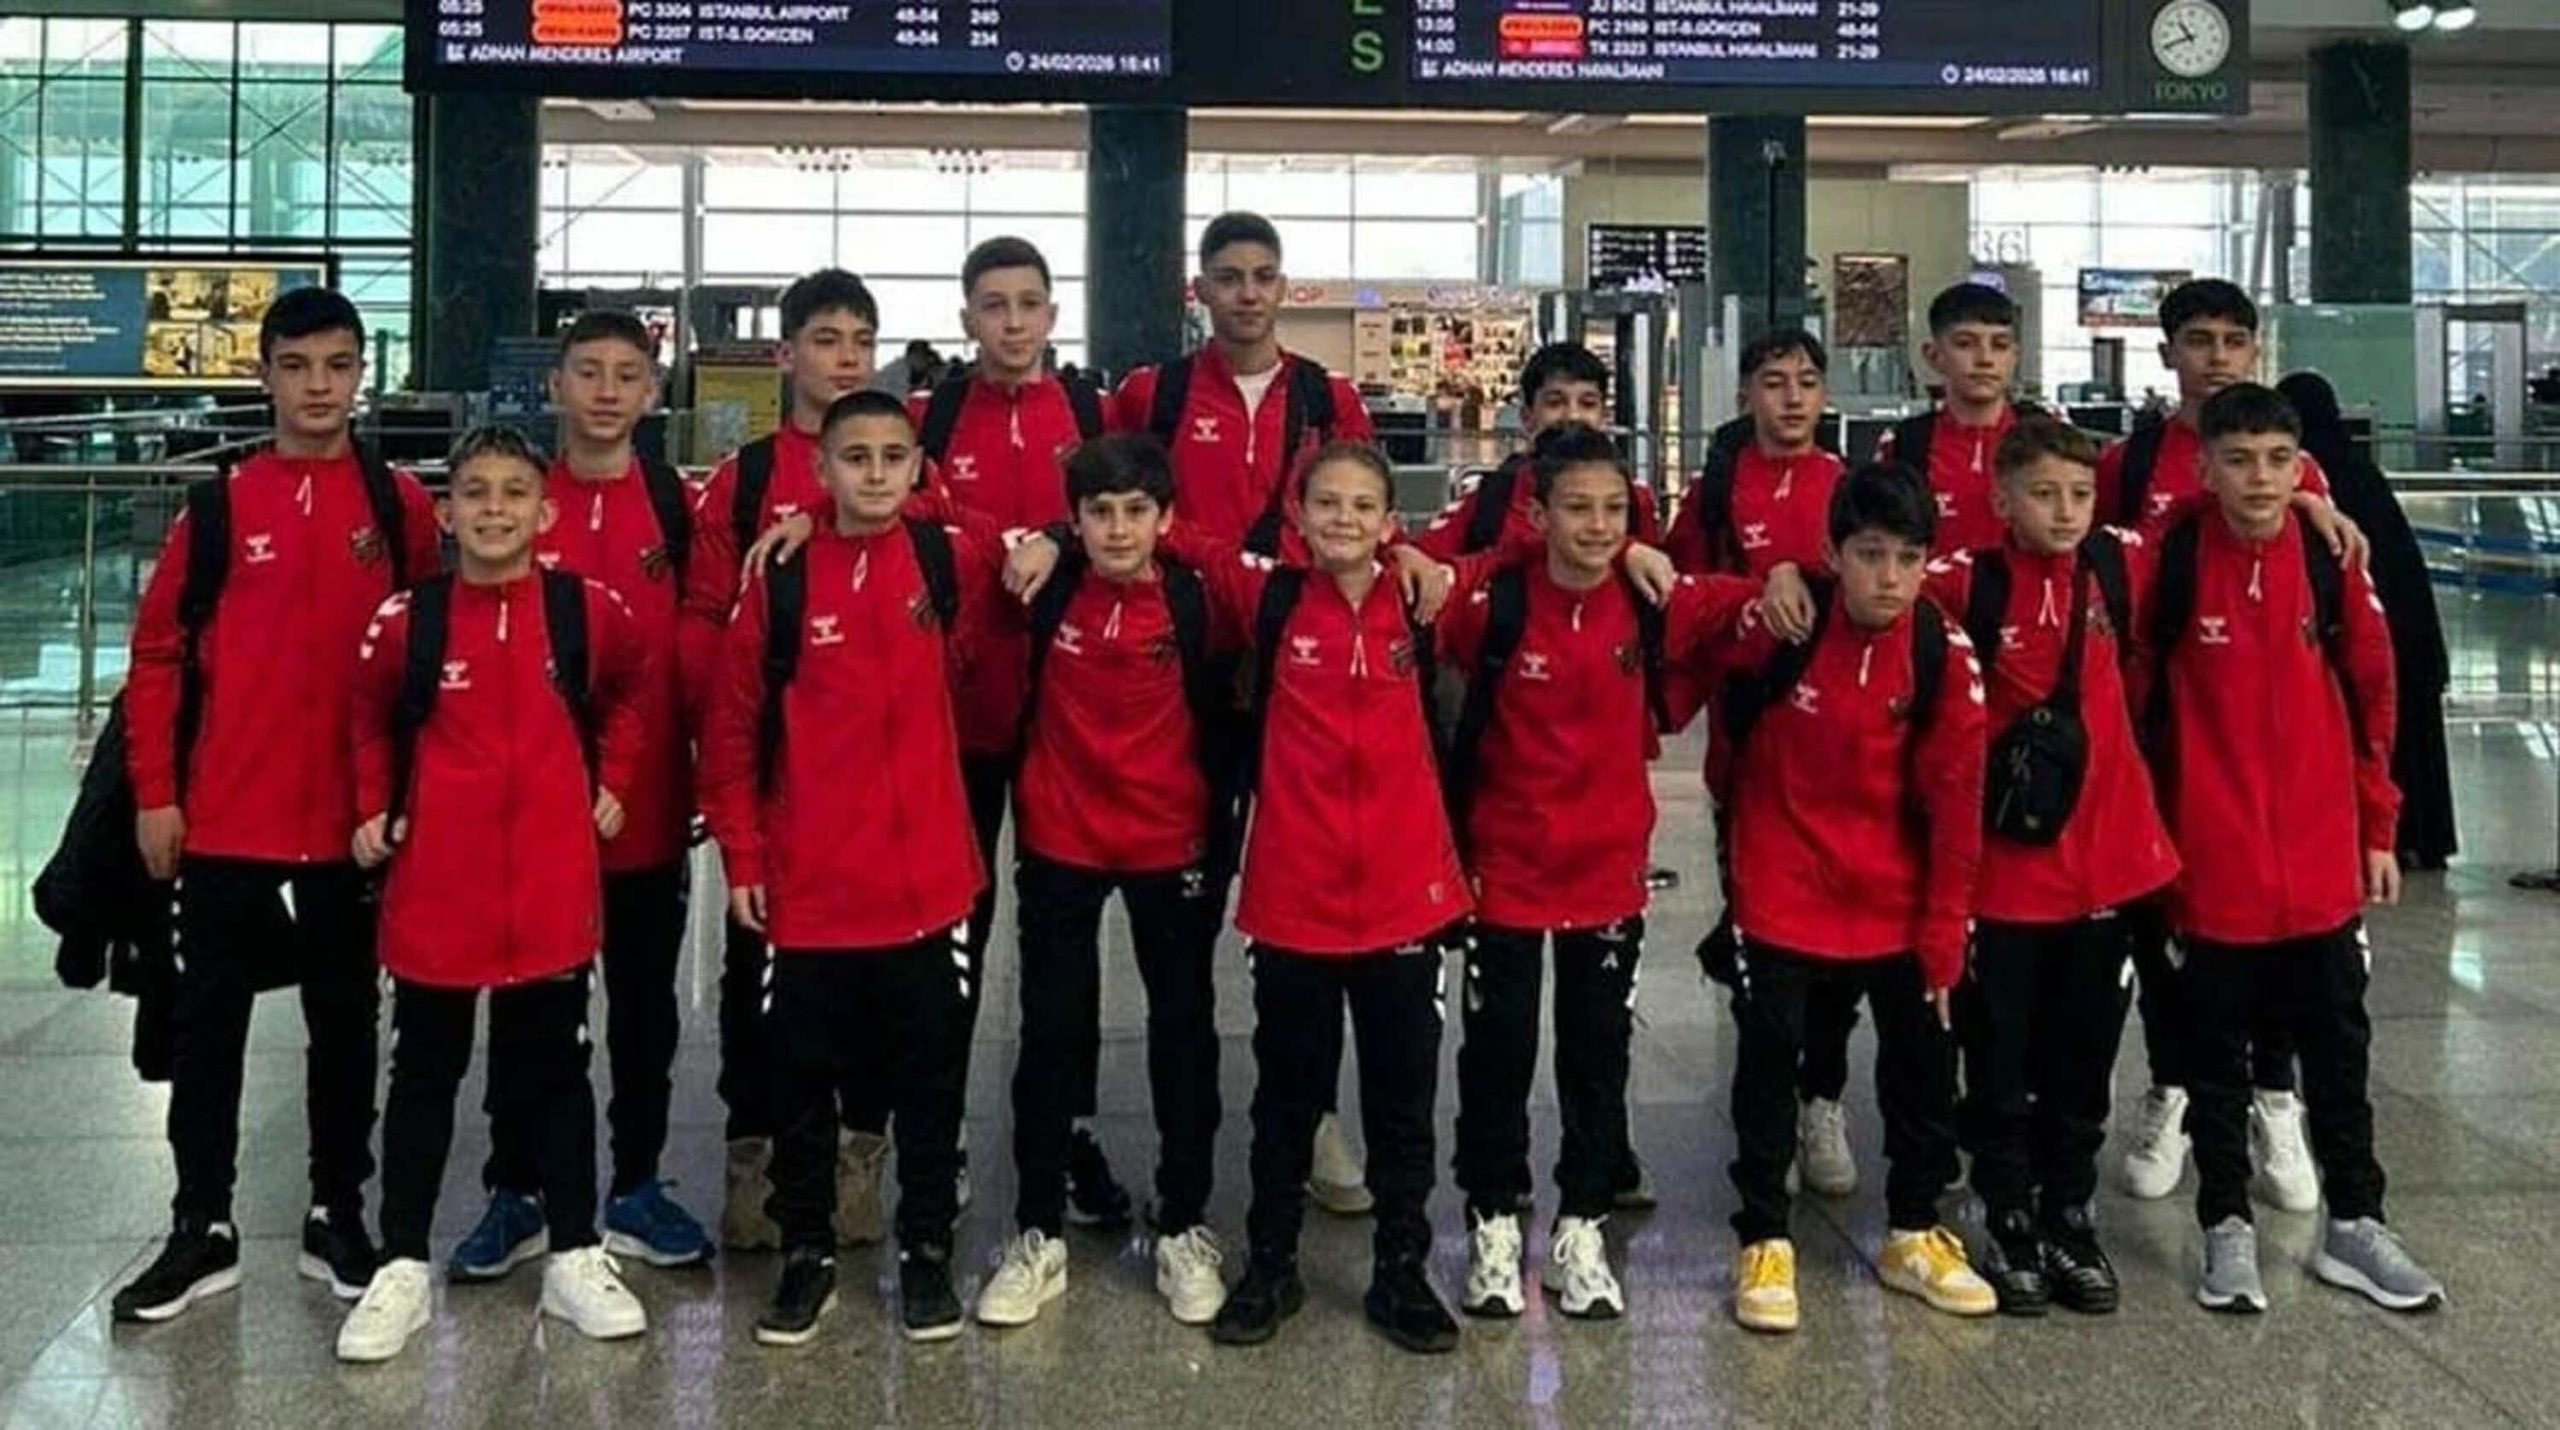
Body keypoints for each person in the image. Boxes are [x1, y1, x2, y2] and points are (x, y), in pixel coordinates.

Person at [1009, 442, 1479, 1352]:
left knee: (1403, 1099)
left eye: (1364, 507)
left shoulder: (1421, 601)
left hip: (1405, 893)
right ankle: (1271, 1265)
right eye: (1325, 504)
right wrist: (1054, 537)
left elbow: (1528, 560)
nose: (1343, 520)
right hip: (1294, 889)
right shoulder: (1267, 595)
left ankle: (1401, 1271)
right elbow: (1168, 535)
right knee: (1285, 1096)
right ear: (1295, 517)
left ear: (1391, 521)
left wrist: (1431, 557)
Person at [113, 286, 441, 1325]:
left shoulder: (397, 507)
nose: (317, 387)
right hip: (226, 817)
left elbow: (431, 651)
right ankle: (200, 1220)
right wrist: (156, 795)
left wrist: (412, 802)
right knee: (207, 1025)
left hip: (352, 822)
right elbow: (157, 656)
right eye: (296, 366)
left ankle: (337, 1207)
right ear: (264, 376)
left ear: (361, 376)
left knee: (345, 1021)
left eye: (337, 365)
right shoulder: (217, 510)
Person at [698, 390, 1011, 1348]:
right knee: (799, 1082)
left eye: (892, 457)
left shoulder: (946, 557)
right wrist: (742, 854)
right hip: (809, 885)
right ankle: (807, 1252)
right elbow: (731, 729)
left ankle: (926, 1249)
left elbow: (1030, 541)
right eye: (854, 457)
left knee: (930, 1080)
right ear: (820, 469)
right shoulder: (781, 578)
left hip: (928, 883)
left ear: (919, 468)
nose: (875, 473)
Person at [334, 427, 653, 1362]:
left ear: (545, 512)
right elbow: (366, 716)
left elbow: (633, 692)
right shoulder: (409, 621)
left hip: (551, 884)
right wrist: (372, 807)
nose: (495, 510)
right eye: (475, 493)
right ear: (446, 512)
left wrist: (616, 781)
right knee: (424, 1072)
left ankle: (575, 1252)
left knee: (558, 1070)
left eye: (515, 492)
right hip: (439, 885)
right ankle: (401, 1263)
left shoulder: (585, 611)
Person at [2138, 383, 2443, 1316]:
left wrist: (2379, 827)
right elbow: (2136, 692)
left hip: (2319, 861)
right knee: (2214, 1060)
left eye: (2278, 461)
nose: (2260, 479)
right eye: (2237, 460)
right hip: (2213, 860)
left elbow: (2376, 695)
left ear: (2301, 466)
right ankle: (2225, 1225)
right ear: (2204, 468)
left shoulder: (2328, 558)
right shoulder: (2173, 557)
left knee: (2338, 1055)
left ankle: (2357, 1222)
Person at [1443, 424, 1758, 1323]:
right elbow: (1414, 585)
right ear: (1537, 515)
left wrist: (1750, 577)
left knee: (1598, 1051)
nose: (1597, 525)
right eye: (1576, 508)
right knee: (1498, 1050)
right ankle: (1493, 1217)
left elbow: (1753, 602)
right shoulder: (1495, 603)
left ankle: (1582, 1221)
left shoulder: (1648, 598)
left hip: (1609, 868)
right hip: (1503, 866)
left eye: (1615, 509)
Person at [1111, 212, 1377, 1212]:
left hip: (1300, 677)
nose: (1248, 293)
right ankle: (1183, 1130)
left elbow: (1355, 520)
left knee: (1307, 901)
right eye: (1229, 277)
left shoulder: (1327, 397)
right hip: (1177, 678)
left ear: (1283, 286)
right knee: (1186, 909)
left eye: (1264, 275)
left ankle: (1309, 1111)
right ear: (1201, 290)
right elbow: (1116, 510)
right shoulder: (1156, 395)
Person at [446, 311, 711, 1281]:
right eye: (588, 372)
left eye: (626, 374)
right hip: (524, 815)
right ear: (554, 386)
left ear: (652, 392)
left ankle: (635, 1180)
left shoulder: (676, 507)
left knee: (643, 1005)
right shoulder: (514, 498)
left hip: (646, 809)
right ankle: (514, 1186)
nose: (606, 391)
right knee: (527, 1005)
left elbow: (699, 650)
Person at [1707, 463, 1995, 1335]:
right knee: (1771, 1054)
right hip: (1783, 880)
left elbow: (1957, 803)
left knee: (1922, 1057)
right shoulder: (1784, 624)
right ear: (1833, 555)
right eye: (1871, 555)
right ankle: (1764, 1235)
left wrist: (1945, 931)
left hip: (1894, 890)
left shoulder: (1943, 651)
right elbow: (1709, 675)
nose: (1891, 579)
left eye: (1909, 558)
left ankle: (1914, 1227)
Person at [970, 434, 1232, 1331]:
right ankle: (1037, 1229)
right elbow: (940, 518)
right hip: (1061, 840)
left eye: (1136, 512)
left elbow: (1303, 567)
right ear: (1074, 520)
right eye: (1098, 513)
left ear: (1166, 519)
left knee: (1184, 1032)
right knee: (1051, 1033)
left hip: (1173, 842)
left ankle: (1184, 1222)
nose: (1118, 530)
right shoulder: (1044, 593)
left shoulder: (1196, 598)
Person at [1924, 416, 2181, 1316]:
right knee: (1999, 1056)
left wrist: (2310, 505)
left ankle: (2070, 1208)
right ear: (2001, 500)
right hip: (2006, 875)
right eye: (2043, 494)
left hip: (2108, 866)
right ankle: (2008, 1207)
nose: (2066, 511)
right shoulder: (1968, 581)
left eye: (2080, 494)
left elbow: (2222, 515)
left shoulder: (2118, 565)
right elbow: (1866, 584)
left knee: (2085, 1057)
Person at [2103, 279, 2340, 1212]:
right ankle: (2174, 1090)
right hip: (2175, 742)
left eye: (2234, 340)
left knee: (2278, 939)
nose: (2217, 357)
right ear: (2169, 354)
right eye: (2198, 340)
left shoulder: (2296, 474)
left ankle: (2274, 1097)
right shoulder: (2128, 465)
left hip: (2279, 758)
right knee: (2175, 937)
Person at [677, 268, 898, 1252]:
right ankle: (755, 1151)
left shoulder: (900, 463)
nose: (844, 357)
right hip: (777, 767)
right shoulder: (745, 478)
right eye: (825, 339)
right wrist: (719, 753)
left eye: (860, 340)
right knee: (758, 963)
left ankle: (859, 1151)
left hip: (880, 771)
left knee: (877, 972)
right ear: (785, 353)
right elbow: (703, 617)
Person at [914, 237, 1132, 1230]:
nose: (1012, 321)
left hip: (1066, 720)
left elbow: (1136, 527)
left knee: (1062, 950)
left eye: (1029, 303)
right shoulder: (929, 421)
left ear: (1052, 314)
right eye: (994, 304)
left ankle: (1066, 1127)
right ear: (967, 317)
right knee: (953, 934)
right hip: (956, 719)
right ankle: (942, 1130)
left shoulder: (1090, 415)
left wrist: (1056, 534)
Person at [1661, 329, 1865, 1203]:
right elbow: (1679, 600)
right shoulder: (1714, 494)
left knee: (1844, 941)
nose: (1791, 398)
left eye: (1807, 382)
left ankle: (1823, 1097)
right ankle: (1769, 1109)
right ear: (1745, 393)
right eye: (1774, 382)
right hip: (1747, 748)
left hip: (1849, 747)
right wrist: (1759, 590)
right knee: (1763, 943)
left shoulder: (1851, 487)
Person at [2277, 371, 2456, 870]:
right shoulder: (2360, 471)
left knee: (2374, 735)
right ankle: (2424, 836)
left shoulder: (2311, 477)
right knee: (2416, 737)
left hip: (2365, 633)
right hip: (2410, 630)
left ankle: (2382, 836)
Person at [1411, 342, 1663, 563]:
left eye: (1587, 404)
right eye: (1555, 403)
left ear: (1603, 417)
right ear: (1527, 417)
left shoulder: (1636, 500)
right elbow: (1419, 567)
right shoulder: (1488, 497)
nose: (1573, 415)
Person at [1872, 282, 2035, 556]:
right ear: (1933, 356)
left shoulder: (2046, 436)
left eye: (1999, 345)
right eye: (1965, 344)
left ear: (2014, 356)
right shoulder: (1905, 444)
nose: (1985, 359)